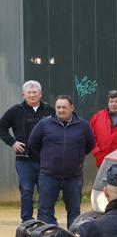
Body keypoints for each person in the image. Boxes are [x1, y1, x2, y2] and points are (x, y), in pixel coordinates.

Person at [27, 94, 95, 227]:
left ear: (72, 108)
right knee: (45, 211)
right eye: (58, 107)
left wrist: (77, 156)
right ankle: (50, 236)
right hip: (49, 176)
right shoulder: (44, 124)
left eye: (64, 107)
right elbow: (32, 143)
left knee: (74, 212)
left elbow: (90, 144)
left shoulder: (83, 125)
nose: (61, 110)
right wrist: (47, 157)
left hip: (73, 177)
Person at [0, 80, 53, 221]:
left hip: (45, 160)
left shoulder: (50, 111)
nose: (32, 95)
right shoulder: (15, 111)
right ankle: (27, 221)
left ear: (40, 94)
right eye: (29, 93)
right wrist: (12, 142)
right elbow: (1, 126)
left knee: (46, 191)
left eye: (35, 92)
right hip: (24, 161)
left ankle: (45, 219)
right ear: (24, 95)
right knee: (26, 191)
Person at [89, 90, 117, 166]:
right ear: (108, 103)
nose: (113, 104)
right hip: (102, 161)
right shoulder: (98, 117)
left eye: (116, 102)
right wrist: (96, 152)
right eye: (111, 101)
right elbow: (90, 136)